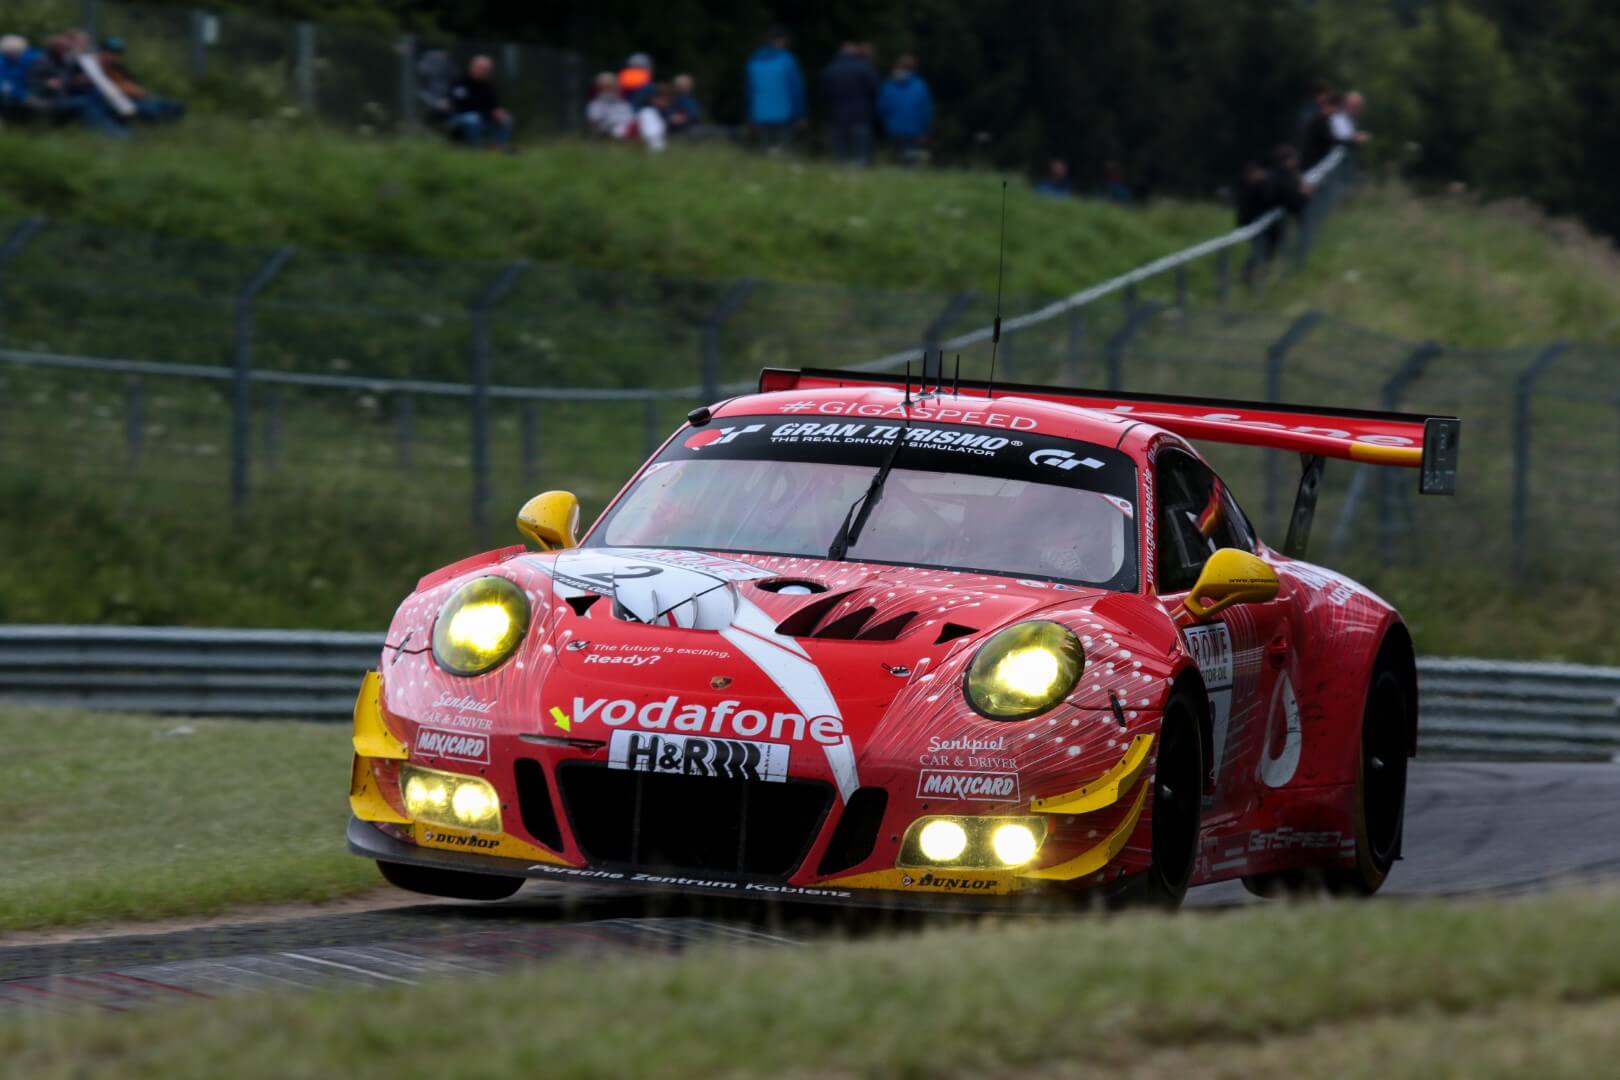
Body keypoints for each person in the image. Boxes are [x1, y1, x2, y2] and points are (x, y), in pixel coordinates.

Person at [27, 32, 125, 136]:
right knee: (85, 102)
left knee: (97, 96)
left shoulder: (64, 62)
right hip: (49, 100)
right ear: (53, 48)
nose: (65, 50)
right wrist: (47, 84)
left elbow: (66, 82)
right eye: (62, 48)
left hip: (63, 96)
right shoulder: (43, 62)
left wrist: (78, 81)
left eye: (66, 48)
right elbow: (32, 82)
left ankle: (118, 127)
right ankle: (114, 133)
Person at [745, 26, 806, 151]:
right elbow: (796, 90)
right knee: (784, 150)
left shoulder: (754, 61)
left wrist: (751, 116)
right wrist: (801, 114)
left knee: (765, 152)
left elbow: (749, 93)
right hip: (784, 114)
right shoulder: (788, 61)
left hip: (760, 114)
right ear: (780, 41)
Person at [818, 41, 878, 166]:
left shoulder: (831, 69)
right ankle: (860, 178)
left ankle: (840, 174)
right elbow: (875, 91)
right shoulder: (865, 68)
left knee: (840, 154)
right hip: (860, 115)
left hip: (837, 116)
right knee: (861, 154)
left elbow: (823, 93)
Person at [96, 38, 184, 122]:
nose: (114, 56)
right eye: (111, 52)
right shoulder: (96, 71)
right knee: (151, 111)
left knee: (177, 105)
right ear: (102, 52)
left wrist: (144, 94)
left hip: (142, 98)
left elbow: (134, 85)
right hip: (128, 102)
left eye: (117, 53)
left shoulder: (120, 69)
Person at [446, 54, 513, 149]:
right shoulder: (460, 83)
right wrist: (486, 112)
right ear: (472, 67)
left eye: (487, 69)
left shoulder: (488, 86)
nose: (484, 72)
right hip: (459, 119)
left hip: (483, 118)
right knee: (473, 118)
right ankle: (475, 148)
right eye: (482, 68)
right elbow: (458, 105)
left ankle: (498, 147)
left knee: (507, 119)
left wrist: (498, 112)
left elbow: (494, 105)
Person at [876, 54, 932, 165]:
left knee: (898, 155)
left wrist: (886, 122)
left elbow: (881, 108)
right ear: (914, 68)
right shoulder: (920, 85)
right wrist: (925, 129)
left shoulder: (889, 85)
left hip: (893, 127)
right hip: (914, 128)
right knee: (912, 157)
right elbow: (925, 110)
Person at [0, 34, 40, 122]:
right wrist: (23, 96)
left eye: (18, 51)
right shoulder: (2, 63)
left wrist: (30, 94)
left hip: (27, 92)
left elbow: (31, 80)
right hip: (10, 95)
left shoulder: (28, 60)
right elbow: (4, 85)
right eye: (10, 51)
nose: (14, 54)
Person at [585, 70, 633, 138]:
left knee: (619, 131)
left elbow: (629, 120)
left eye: (610, 86)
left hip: (620, 129)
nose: (608, 90)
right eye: (604, 87)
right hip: (603, 130)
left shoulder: (623, 103)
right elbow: (593, 121)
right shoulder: (595, 104)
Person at [636, 83, 670, 152]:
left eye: (665, 98)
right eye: (660, 98)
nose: (663, 101)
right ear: (653, 99)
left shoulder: (669, 111)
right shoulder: (646, 112)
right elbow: (651, 133)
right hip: (652, 141)